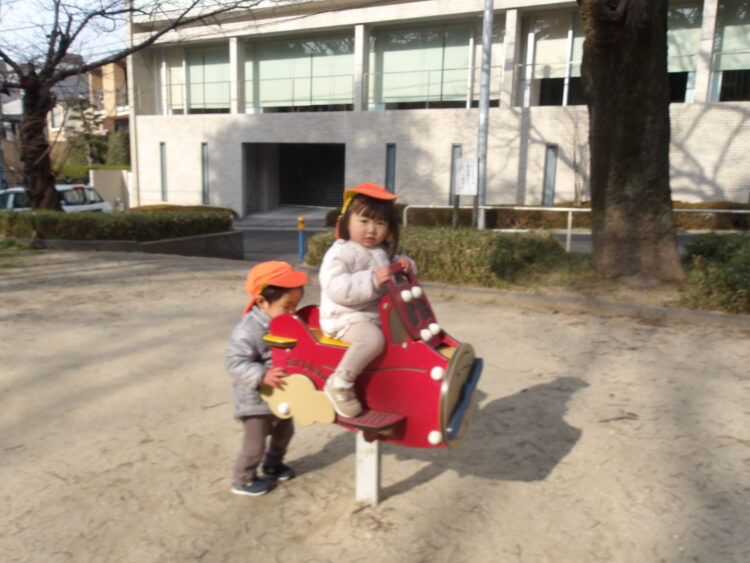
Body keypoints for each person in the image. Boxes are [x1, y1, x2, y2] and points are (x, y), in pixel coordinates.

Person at [319, 182, 414, 418]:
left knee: (407, 329)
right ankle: (340, 383)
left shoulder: (381, 251)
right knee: (372, 340)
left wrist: (404, 265)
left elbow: (389, 270)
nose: (371, 229)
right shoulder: (340, 252)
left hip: (372, 314)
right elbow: (336, 287)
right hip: (345, 317)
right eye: (364, 221)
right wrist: (371, 280)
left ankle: (400, 378)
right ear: (347, 222)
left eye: (380, 223)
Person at [225, 261, 308, 496]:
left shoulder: (285, 322)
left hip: (283, 394)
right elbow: (234, 362)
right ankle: (243, 479)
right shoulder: (248, 329)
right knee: (255, 444)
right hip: (256, 401)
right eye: (287, 306)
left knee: (285, 433)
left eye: (296, 305)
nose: (293, 311)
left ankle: (272, 465)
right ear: (262, 302)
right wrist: (262, 374)